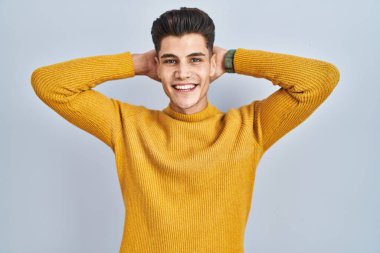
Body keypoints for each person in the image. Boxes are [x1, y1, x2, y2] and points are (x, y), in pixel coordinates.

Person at [30, 6, 340, 253]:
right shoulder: (127, 125)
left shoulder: (249, 128)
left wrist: (233, 59)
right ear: (158, 67)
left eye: (195, 59)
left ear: (211, 65)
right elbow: (49, 84)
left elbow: (320, 79)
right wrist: (137, 63)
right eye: (170, 61)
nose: (183, 73)